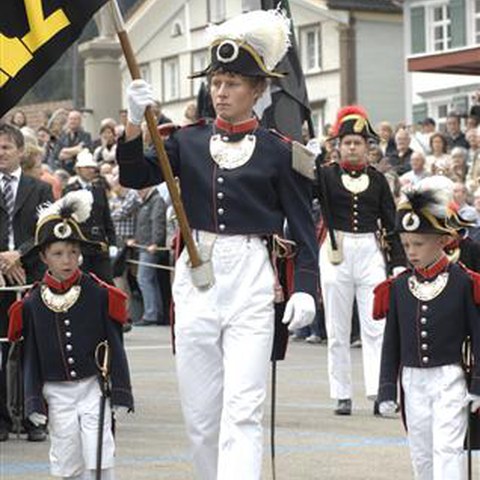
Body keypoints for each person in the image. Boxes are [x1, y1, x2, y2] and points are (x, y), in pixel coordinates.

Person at [117, 9, 318, 479]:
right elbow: (133, 175)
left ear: (258, 90)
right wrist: (131, 124)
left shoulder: (280, 150)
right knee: (202, 416)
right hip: (198, 276)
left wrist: (306, 286)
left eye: (232, 83)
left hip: (251, 277)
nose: (221, 91)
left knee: (243, 409)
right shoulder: (186, 141)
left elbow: (303, 230)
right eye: (216, 81)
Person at [8, 190, 133, 479]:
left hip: (93, 387)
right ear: (43, 256)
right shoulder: (31, 303)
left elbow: (115, 344)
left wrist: (121, 391)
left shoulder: (100, 294)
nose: (67, 260)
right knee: (66, 458)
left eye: (73, 252)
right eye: (58, 254)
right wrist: (33, 400)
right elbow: (30, 357)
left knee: (99, 454)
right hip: (57, 391)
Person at [374, 175, 480, 480]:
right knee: (420, 451)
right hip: (412, 380)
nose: (411, 251)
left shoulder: (463, 281)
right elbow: (391, 341)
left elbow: (478, 335)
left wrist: (477, 385)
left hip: (449, 378)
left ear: (442, 240)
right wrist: (385, 388)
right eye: (406, 244)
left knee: (446, 449)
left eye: (419, 243)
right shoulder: (398, 287)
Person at [317, 105, 405, 416]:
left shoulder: (379, 181)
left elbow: (391, 222)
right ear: (337, 145)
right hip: (336, 248)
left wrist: (397, 262)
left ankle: (379, 392)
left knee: (376, 326)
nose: (353, 147)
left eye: (358, 142)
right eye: (347, 142)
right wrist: (313, 158)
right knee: (337, 328)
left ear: (368, 147)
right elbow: (304, 186)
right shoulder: (325, 175)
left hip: (369, 250)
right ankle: (341, 393)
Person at [0, 124, 53, 442]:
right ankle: (2, 419)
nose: (1, 153)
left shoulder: (40, 189)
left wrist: (17, 254)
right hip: (0, 279)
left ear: (20, 151)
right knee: (0, 350)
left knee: (34, 349)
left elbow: (44, 231)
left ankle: (35, 417)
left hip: (30, 276)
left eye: (6, 147)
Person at [64, 149, 116, 283]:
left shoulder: (99, 190)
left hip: (99, 245)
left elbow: (106, 218)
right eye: (87, 167)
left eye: (92, 167)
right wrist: (71, 249)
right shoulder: (70, 190)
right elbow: (66, 221)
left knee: (106, 283)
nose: (91, 170)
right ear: (78, 169)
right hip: (81, 245)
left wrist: (112, 243)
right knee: (82, 284)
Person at [130, 186, 167, 326]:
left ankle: (151, 314)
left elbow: (157, 222)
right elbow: (144, 224)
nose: (138, 192)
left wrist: (155, 242)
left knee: (144, 279)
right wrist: (136, 239)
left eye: (140, 189)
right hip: (145, 245)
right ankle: (155, 313)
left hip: (149, 247)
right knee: (150, 280)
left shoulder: (156, 200)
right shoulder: (147, 201)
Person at [53, 110, 93, 175]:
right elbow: (58, 155)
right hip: (64, 169)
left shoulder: (86, 136)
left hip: (80, 169)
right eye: (71, 119)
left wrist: (65, 151)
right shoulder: (62, 137)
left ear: (80, 121)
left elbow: (86, 151)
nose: (72, 121)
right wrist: (76, 150)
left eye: (75, 119)